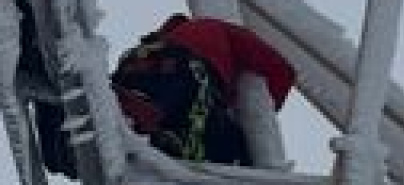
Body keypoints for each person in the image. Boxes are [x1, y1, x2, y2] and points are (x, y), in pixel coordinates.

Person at [111, 14, 295, 165]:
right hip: (184, 71)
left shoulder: (163, 40)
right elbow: (282, 70)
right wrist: (265, 110)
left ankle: (131, 122)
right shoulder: (220, 30)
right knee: (234, 152)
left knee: (167, 122)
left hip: (135, 70)